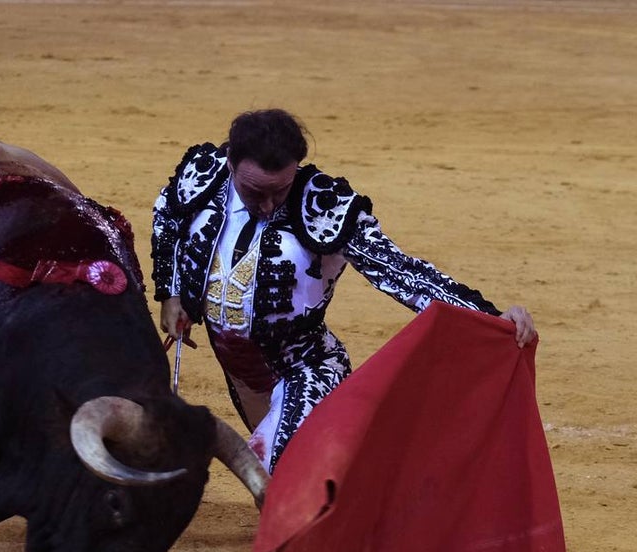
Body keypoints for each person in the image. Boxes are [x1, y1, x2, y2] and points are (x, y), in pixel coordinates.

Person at [151, 109, 536, 472]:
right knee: (296, 473)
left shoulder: (326, 206)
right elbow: (167, 215)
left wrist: (489, 316)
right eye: (254, 192)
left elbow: (400, 272)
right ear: (231, 161)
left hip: (307, 367)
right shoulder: (206, 174)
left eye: (280, 190)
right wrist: (170, 292)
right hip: (241, 372)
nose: (267, 205)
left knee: (277, 477)